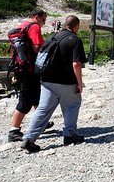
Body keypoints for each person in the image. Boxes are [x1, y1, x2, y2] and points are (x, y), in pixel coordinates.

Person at [21, 15, 87, 153]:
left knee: (43, 110)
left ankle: (29, 138)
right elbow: (76, 64)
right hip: (67, 81)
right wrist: (80, 83)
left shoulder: (53, 37)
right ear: (76, 26)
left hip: (47, 81)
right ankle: (70, 134)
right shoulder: (75, 40)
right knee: (72, 106)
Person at [7, 9, 50, 143]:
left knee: (36, 96)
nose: (44, 23)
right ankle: (14, 131)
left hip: (21, 68)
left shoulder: (22, 27)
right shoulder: (34, 27)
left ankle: (40, 123)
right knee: (25, 100)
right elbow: (37, 47)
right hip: (29, 69)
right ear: (36, 17)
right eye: (43, 20)